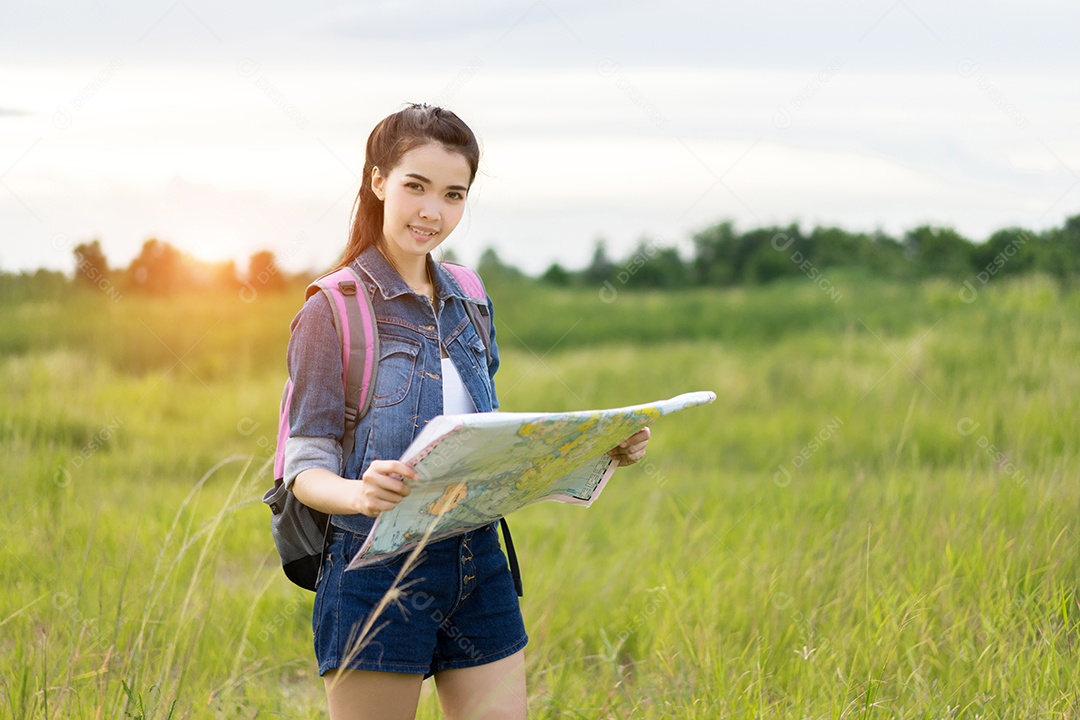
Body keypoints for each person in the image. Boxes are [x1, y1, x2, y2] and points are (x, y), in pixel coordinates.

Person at [283, 103, 651, 720]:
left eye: (453, 195)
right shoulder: (334, 309)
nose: (433, 211)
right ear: (378, 182)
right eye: (415, 186)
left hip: (479, 560)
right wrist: (358, 493)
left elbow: (490, 436)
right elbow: (305, 462)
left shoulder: (470, 298)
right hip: (375, 568)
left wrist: (598, 445)